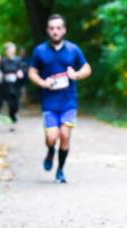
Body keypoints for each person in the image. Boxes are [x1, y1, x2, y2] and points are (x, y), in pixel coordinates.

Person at [28, 15, 92, 184]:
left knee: (64, 135)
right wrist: (43, 82)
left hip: (68, 101)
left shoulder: (73, 49)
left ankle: (60, 170)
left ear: (64, 30)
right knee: (51, 137)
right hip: (49, 102)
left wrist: (76, 75)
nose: (55, 31)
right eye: (52, 28)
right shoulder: (40, 51)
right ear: (47, 30)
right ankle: (50, 151)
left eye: (58, 28)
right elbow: (32, 72)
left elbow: (87, 67)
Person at [1, 42, 26, 124]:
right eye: (9, 50)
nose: (11, 51)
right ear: (6, 51)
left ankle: (15, 113)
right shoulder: (3, 61)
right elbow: (2, 72)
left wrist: (20, 72)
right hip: (7, 85)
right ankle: (11, 117)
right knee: (10, 102)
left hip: (16, 84)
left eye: (12, 49)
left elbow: (22, 70)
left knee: (16, 101)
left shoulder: (18, 60)